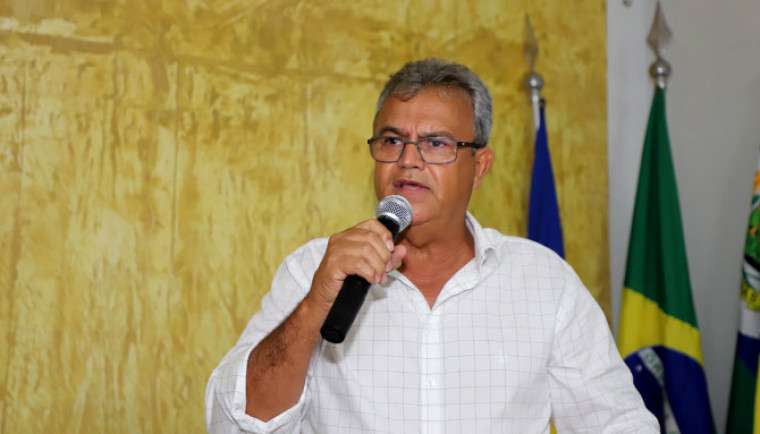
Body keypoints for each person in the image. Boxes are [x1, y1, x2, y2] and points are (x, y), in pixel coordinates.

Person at [205, 58, 658, 433]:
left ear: (480, 167)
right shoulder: (312, 270)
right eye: (392, 141)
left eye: (435, 143)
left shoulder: (544, 281)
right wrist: (315, 305)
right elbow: (234, 423)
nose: (407, 160)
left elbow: (620, 424)